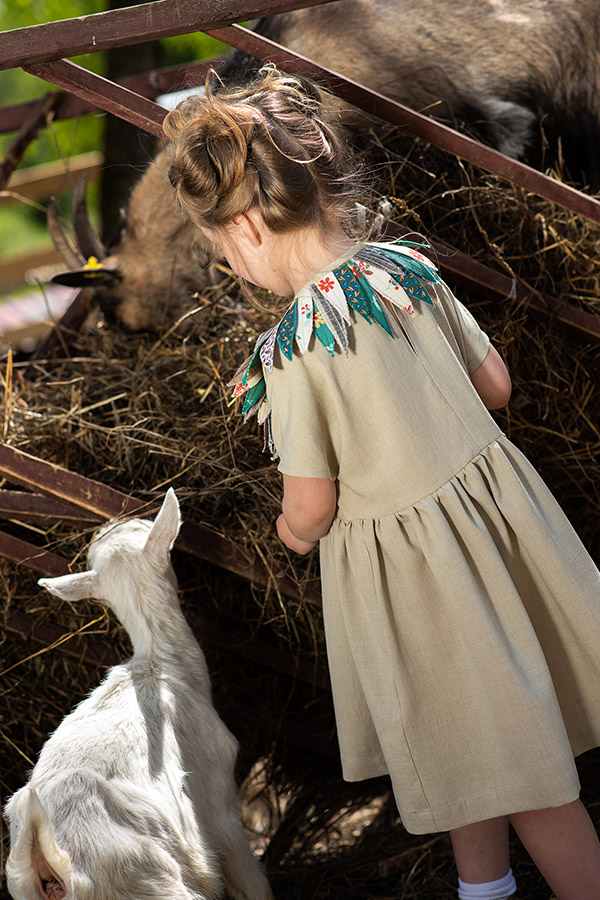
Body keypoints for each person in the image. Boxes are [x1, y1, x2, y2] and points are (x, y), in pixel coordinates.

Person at [163, 65, 600, 900]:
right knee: (477, 752)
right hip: (498, 544)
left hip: (421, 589)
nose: (233, 267)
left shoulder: (294, 352)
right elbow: (497, 389)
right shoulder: (407, 272)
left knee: (526, 775)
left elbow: (313, 502)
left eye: (224, 254)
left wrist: (290, 537)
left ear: (248, 229)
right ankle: (486, 889)